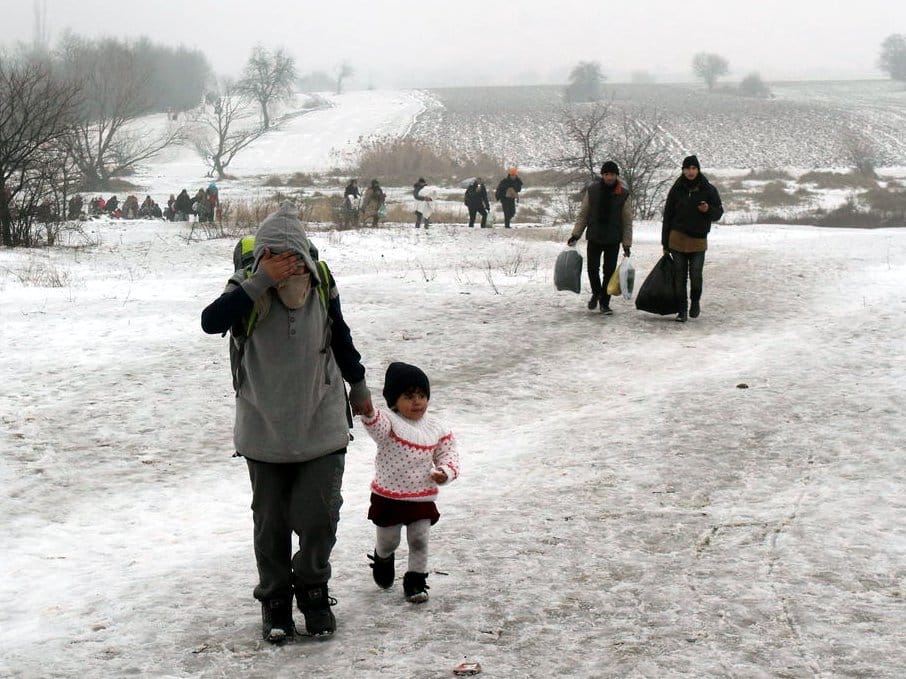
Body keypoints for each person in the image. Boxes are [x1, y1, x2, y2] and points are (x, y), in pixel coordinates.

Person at [200, 202, 373, 643]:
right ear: (262, 256)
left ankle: (313, 590)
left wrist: (358, 385)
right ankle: (275, 601)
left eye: (292, 254)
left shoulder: (321, 283)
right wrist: (261, 280)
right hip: (264, 426)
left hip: (321, 420)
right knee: (271, 523)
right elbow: (210, 322)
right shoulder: (246, 287)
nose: (285, 263)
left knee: (319, 516)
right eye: (273, 254)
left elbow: (341, 335)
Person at [360, 362, 459, 604]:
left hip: (421, 495)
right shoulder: (390, 422)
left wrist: (445, 471)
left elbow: (448, 454)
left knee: (419, 540)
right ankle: (383, 558)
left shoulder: (436, 427)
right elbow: (377, 426)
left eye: (422, 396)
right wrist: (369, 412)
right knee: (389, 541)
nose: (417, 402)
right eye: (409, 397)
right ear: (395, 401)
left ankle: (415, 581)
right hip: (389, 496)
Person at [661, 155, 724, 322]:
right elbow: (668, 216)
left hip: (698, 240)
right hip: (677, 239)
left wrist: (708, 209)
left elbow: (718, 213)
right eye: (687, 168)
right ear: (683, 170)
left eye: (694, 168)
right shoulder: (676, 189)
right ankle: (682, 310)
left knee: (696, 275)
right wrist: (665, 242)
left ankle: (695, 301)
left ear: (698, 170)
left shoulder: (708, 189)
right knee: (679, 277)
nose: (690, 171)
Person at [567, 161, 633, 315]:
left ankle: (605, 302)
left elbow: (627, 221)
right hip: (595, 236)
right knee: (592, 269)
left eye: (612, 174)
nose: (609, 177)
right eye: (607, 174)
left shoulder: (623, 194)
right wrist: (575, 234)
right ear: (602, 175)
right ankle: (596, 292)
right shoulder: (593, 191)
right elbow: (583, 214)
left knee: (609, 272)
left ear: (616, 175)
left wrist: (627, 243)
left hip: (613, 239)